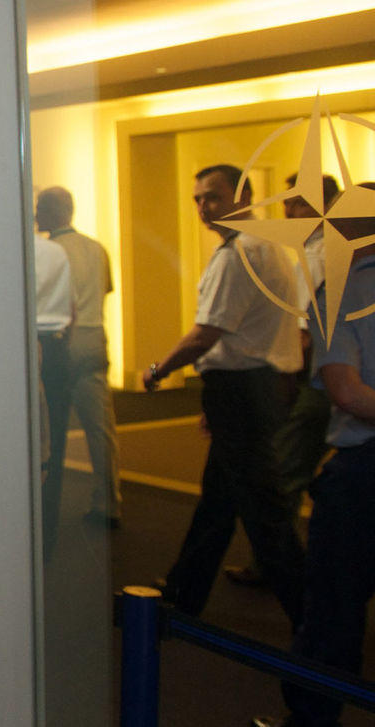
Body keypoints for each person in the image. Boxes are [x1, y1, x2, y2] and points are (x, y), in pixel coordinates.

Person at [143, 164, 305, 625]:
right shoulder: (269, 246)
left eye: (212, 196)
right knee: (219, 502)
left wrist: (159, 369)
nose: (203, 207)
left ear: (244, 195)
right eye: (197, 199)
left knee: (263, 512)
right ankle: (183, 591)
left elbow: (206, 333)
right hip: (252, 388)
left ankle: (315, 619)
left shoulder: (240, 253)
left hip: (243, 391)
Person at [261, 183, 375, 727]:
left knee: (333, 609)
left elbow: (348, 392)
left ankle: (312, 718)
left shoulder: (343, 290)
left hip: (363, 472)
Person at [228, 173, 341, 587]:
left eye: (295, 203)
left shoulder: (319, 253)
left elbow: (305, 328)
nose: (286, 211)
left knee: (287, 469)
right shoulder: (328, 249)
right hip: (334, 375)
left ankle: (280, 568)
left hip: (318, 378)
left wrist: (287, 380)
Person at [35, 186, 121, 528]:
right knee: (100, 427)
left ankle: (47, 504)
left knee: (51, 427)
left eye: (40, 207)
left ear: (53, 212)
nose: (36, 214)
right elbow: (106, 290)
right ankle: (109, 501)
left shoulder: (51, 252)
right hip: (94, 336)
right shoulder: (97, 249)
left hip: (62, 341)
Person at [34, 227, 73, 555]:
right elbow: (71, 309)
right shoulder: (56, 251)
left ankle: (34, 539)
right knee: (51, 446)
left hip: (31, 345)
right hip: (55, 346)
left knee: (35, 446)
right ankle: (46, 538)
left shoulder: (15, 251)